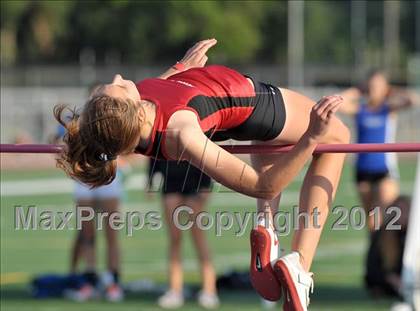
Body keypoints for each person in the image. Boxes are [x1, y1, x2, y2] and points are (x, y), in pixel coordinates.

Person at [54, 38, 351, 310]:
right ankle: (300, 264)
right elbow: (263, 185)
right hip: (252, 101)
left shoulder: (135, 119)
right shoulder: (182, 134)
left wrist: (181, 68)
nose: (118, 78)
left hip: (231, 100)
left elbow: (161, 89)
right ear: (129, 108)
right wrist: (311, 137)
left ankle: (268, 225)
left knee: (273, 138)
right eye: (116, 86)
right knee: (337, 137)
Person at [52, 116, 125, 302]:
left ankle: (113, 282)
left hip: (108, 176)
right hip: (84, 176)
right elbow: (56, 140)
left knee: (111, 233)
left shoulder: (112, 119)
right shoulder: (79, 120)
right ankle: (90, 280)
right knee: (87, 233)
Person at [340, 70, 415, 232]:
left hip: (384, 171)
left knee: (387, 221)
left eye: (379, 86)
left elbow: (413, 100)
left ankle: (388, 253)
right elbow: (337, 103)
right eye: (372, 85)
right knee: (372, 226)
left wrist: (392, 90)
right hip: (363, 171)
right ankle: (376, 256)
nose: (375, 89)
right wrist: (357, 90)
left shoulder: (388, 110)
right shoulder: (360, 110)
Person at [147, 158, 219, 309]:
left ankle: (209, 290)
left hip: (196, 183)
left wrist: (206, 185)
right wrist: (150, 179)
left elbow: (205, 151)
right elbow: (155, 151)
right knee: (175, 239)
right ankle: (175, 291)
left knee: (199, 238)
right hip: (171, 183)